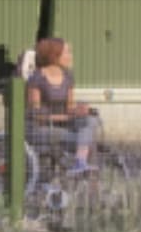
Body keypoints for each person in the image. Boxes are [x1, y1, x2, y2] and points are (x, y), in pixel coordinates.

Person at [27, 37, 100, 172]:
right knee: (85, 138)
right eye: (67, 52)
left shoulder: (68, 77)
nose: (70, 56)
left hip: (64, 124)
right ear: (54, 55)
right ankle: (80, 165)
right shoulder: (36, 78)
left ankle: (80, 162)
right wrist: (66, 118)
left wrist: (80, 110)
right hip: (41, 128)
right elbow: (36, 115)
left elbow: (69, 108)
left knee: (91, 120)